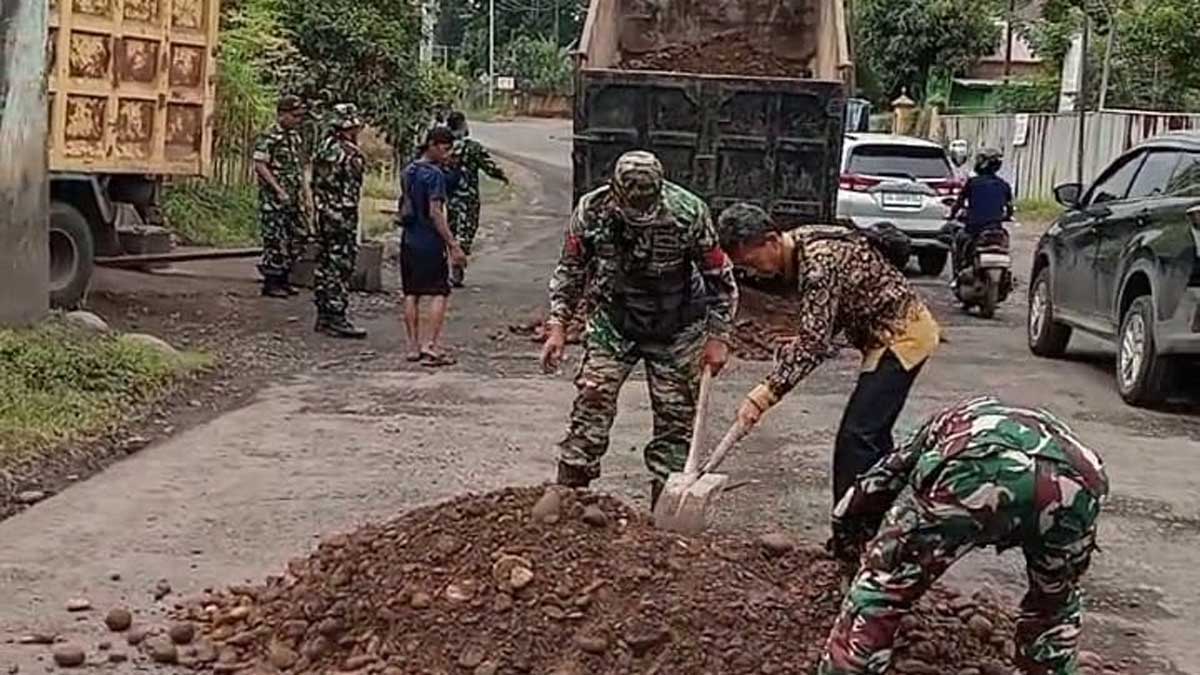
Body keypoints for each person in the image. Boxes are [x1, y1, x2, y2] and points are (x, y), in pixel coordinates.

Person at [819, 397, 1109, 675]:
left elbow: (874, 486)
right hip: (1080, 483)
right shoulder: (1012, 420)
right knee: (1055, 599)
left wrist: (849, 546)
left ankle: (848, 667)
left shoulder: (941, 425)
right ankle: (1048, 667)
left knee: (886, 585)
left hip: (977, 470)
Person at [541, 150, 739, 507]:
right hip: (614, 322)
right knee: (592, 399)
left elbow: (719, 278)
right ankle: (570, 496)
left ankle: (664, 514)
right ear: (616, 191)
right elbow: (570, 270)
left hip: (676, 325)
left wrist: (718, 336)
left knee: (676, 419)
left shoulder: (687, 212)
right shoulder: (592, 211)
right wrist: (558, 326)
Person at [715, 203, 939, 514]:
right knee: (873, 435)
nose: (752, 271)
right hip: (885, 334)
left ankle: (851, 530)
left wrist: (762, 396)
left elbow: (814, 346)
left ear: (771, 240)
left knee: (857, 438)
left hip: (902, 336)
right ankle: (890, 513)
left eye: (751, 262)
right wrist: (808, 337)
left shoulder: (818, 263)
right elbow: (835, 306)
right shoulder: (802, 242)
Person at [398, 126, 466, 366]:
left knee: (411, 293)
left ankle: (412, 346)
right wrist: (453, 244)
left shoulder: (409, 170)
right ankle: (431, 345)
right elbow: (435, 213)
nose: (447, 155)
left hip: (408, 238)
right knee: (439, 292)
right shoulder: (434, 175)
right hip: (429, 241)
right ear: (434, 146)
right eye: (445, 149)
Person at [310, 103, 368, 339]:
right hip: (342, 217)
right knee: (340, 266)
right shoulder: (350, 154)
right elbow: (351, 193)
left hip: (323, 213)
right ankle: (336, 316)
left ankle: (323, 315)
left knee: (324, 264)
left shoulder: (323, 149)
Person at [446, 111, 509, 287]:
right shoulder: (472, 147)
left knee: (451, 231)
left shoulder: (445, 147)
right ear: (463, 125)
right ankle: (456, 270)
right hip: (469, 198)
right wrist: (503, 177)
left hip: (450, 198)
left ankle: (451, 268)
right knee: (465, 233)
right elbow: (489, 166)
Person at [253, 95, 307, 298]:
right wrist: (278, 189)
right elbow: (260, 165)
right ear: (282, 114)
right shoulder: (269, 136)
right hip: (274, 199)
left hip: (292, 196)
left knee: (297, 237)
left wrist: (303, 193)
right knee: (275, 240)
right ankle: (272, 281)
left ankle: (285, 278)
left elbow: (298, 167)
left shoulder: (294, 137)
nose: (297, 120)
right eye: (294, 116)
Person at [949, 147, 1014, 276]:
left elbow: (959, 203)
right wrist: (1007, 216)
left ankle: (959, 273)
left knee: (959, 239)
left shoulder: (972, 183)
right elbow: (1010, 208)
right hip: (996, 228)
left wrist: (951, 215)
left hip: (974, 229)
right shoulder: (1004, 185)